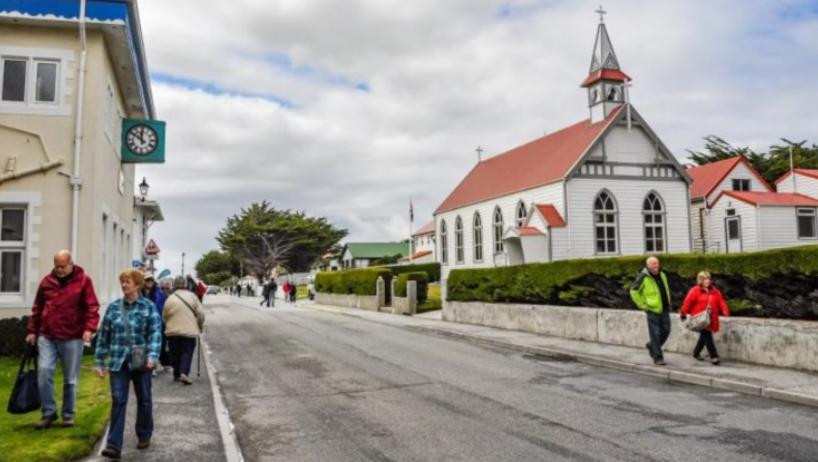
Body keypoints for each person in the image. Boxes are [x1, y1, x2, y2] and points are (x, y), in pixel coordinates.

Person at [25, 250, 100, 430]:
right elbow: (37, 308)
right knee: (44, 372)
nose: (59, 270)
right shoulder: (46, 282)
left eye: (62, 266)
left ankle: (68, 414)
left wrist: (89, 329)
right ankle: (48, 412)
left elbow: (92, 306)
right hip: (47, 335)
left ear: (71, 264)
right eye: (56, 266)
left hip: (72, 336)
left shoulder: (83, 281)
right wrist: (32, 331)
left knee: (70, 379)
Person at [94, 269, 162, 459]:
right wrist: (99, 362)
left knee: (145, 399)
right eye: (122, 282)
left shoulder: (148, 307)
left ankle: (144, 434)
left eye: (128, 282)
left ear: (138, 285)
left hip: (141, 362)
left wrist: (153, 356)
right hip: (118, 362)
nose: (124, 285)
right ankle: (113, 445)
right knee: (118, 401)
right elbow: (103, 337)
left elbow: (155, 334)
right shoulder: (114, 307)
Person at [629, 256, 672, 366]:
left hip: (664, 308)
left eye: (657, 263)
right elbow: (633, 291)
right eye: (653, 264)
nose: (656, 265)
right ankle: (658, 357)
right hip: (652, 309)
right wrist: (643, 305)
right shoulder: (643, 276)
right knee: (655, 334)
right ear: (648, 265)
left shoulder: (662, 274)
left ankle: (652, 345)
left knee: (666, 331)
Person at [680, 271, 730, 365]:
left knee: (704, 336)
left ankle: (696, 352)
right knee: (707, 334)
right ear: (700, 280)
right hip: (700, 318)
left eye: (708, 279)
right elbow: (687, 302)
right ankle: (714, 356)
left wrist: (725, 311)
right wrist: (683, 313)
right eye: (704, 279)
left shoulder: (715, 291)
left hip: (711, 317)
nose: (707, 281)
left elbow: (721, 302)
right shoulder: (695, 290)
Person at [163, 276, 205, 385]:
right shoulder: (192, 297)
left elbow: (164, 315)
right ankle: (184, 373)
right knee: (187, 352)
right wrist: (200, 326)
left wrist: (168, 324)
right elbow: (201, 314)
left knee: (175, 352)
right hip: (189, 330)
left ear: (174, 285)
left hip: (172, 331)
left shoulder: (170, 298)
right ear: (186, 284)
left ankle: (176, 374)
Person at [141, 274, 168, 373]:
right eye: (147, 280)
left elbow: (163, 307)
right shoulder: (139, 292)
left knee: (155, 343)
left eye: (151, 280)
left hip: (157, 321)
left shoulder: (159, 292)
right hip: (143, 322)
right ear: (143, 281)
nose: (149, 282)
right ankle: (147, 364)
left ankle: (154, 365)